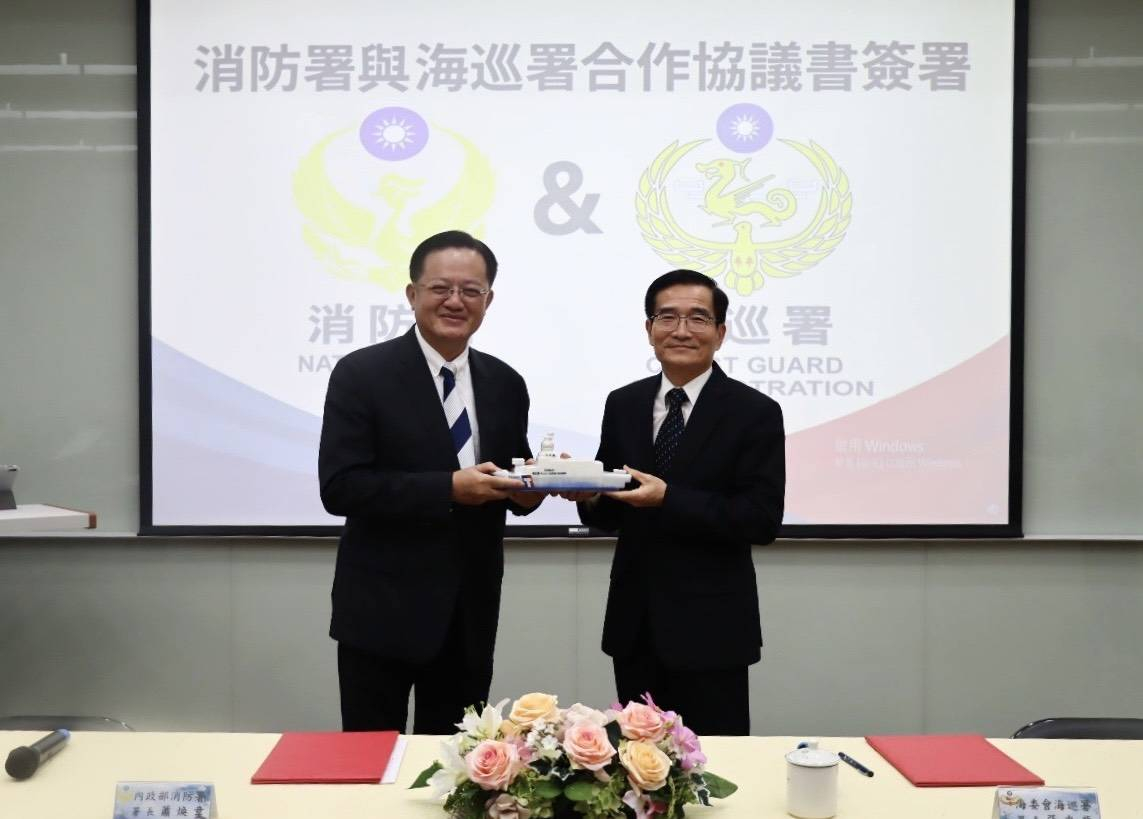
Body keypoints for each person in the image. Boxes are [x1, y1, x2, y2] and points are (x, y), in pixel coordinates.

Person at [318, 230, 542, 734]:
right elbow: (341, 487)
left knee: (460, 762)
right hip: (380, 610)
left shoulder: (505, 383)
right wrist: (448, 488)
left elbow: (506, 480)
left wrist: (533, 489)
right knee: (372, 760)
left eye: (471, 290)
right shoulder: (362, 374)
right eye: (441, 288)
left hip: (469, 612)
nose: (455, 301)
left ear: (488, 300)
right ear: (412, 293)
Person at [575, 269, 785, 735]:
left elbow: (761, 519)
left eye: (698, 318)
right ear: (649, 329)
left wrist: (669, 498)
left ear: (720, 332)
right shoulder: (623, 403)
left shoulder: (754, 412)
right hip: (635, 623)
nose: (682, 330)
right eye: (667, 317)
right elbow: (612, 512)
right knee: (636, 761)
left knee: (714, 763)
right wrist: (589, 495)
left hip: (713, 628)